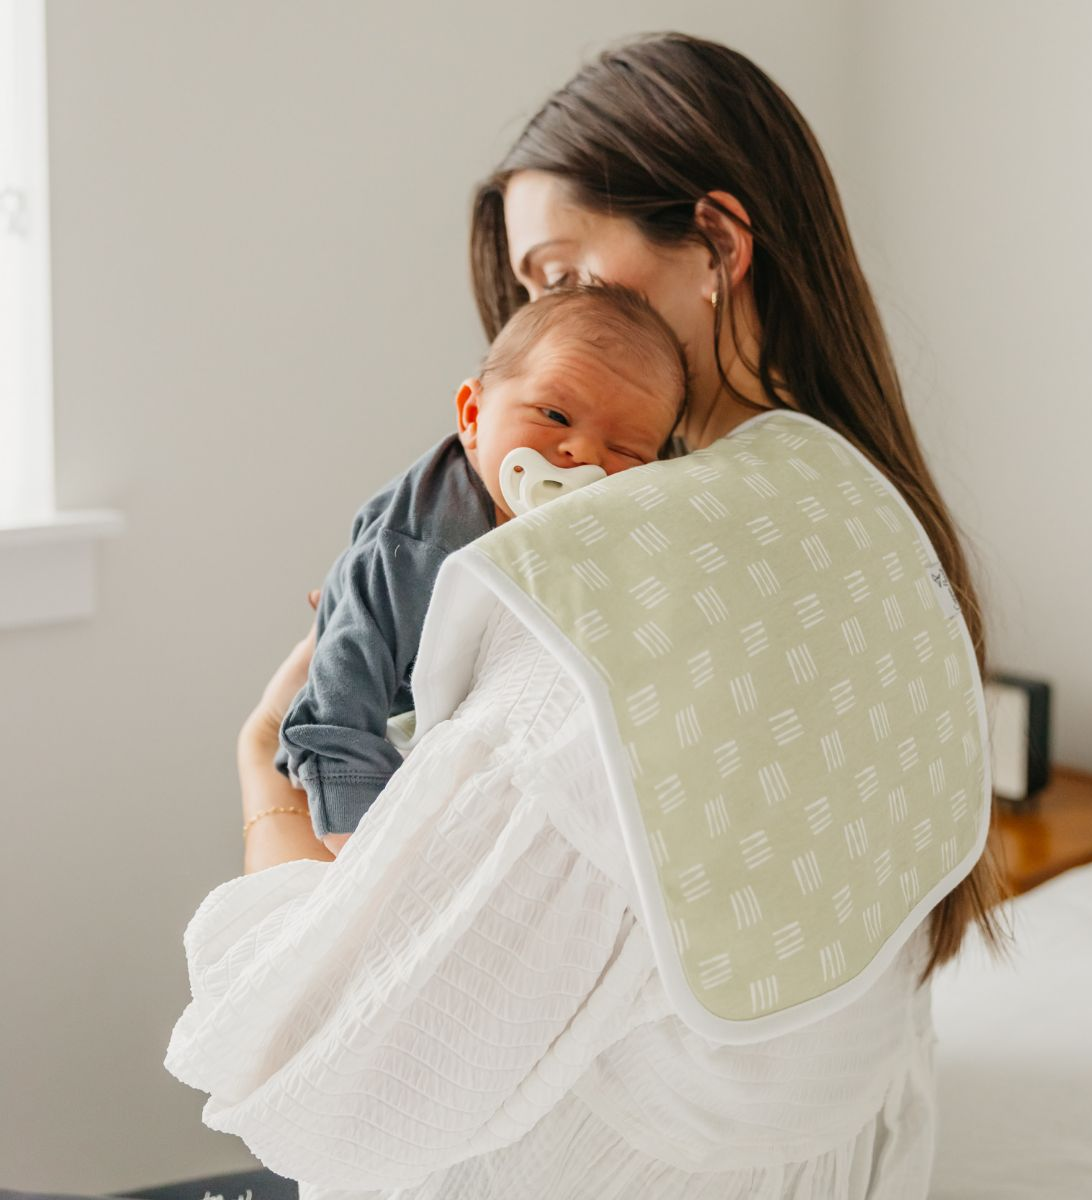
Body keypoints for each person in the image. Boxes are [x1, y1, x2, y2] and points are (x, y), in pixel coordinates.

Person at [166, 31, 1012, 1198]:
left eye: (566, 275)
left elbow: (315, 1085)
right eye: (532, 295)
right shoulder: (874, 519)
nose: (559, 322)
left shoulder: (612, 610)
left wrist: (266, 775)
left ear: (716, 241)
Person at [273, 282, 688, 850]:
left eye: (628, 452)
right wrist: (367, 849)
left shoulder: (590, 530)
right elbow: (336, 703)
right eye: (554, 413)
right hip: (359, 722)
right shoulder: (418, 547)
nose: (585, 454)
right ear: (472, 414)